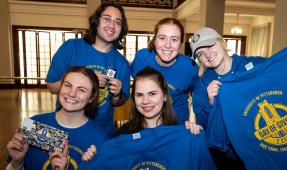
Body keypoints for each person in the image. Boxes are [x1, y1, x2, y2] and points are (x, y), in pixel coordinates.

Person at [191, 27, 287, 170]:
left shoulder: (256, 65)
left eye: (210, 46)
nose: (207, 54)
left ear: (222, 43)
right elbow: (206, 130)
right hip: (234, 157)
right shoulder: (202, 85)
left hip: (272, 145)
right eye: (200, 54)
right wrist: (211, 102)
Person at [78, 67, 215, 169]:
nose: (145, 101)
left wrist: (194, 134)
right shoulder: (121, 136)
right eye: (139, 95)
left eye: (152, 93)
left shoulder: (185, 135)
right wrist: (92, 160)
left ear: (165, 96)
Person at [46, 2, 131, 135]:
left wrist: (117, 94)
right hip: (65, 127)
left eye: (118, 22)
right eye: (107, 18)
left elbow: (117, 102)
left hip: (102, 131)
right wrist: (87, 80)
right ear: (96, 21)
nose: (112, 26)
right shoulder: (70, 48)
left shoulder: (123, 63)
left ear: (122, 28)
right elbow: (51, 86)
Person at [6, 66, 110, 170]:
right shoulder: (34, 124)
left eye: (81, 90)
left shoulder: (100, 138)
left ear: (92, 97)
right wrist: (16, 162)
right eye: (68, 85)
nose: (72, 93)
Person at [130, 18, 198, 123]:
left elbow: (199, 98)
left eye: (174, 39)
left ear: (181, 42)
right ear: (155, 40)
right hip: (144, 124)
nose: (168, 45)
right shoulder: (142, 58)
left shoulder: (190, 67)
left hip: (176, 126)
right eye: (162, 38)